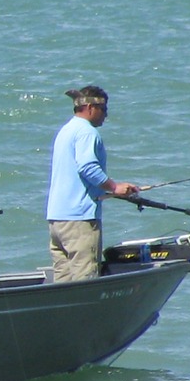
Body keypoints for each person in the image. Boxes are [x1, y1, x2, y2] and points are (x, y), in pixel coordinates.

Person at [46, 85, 140, 282]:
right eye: (103, 109)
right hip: (79, 221)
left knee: (63, 284)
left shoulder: (66, 130)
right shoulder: (87, 133)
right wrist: (115, 188)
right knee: (85, 282)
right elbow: (88, 168)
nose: (106, 114)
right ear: (90, 107)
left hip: (57, 219)